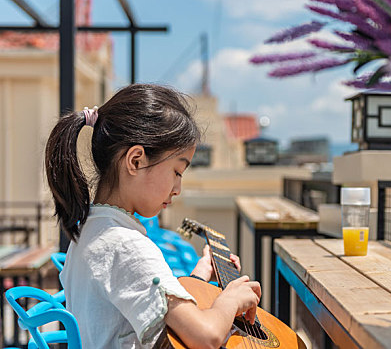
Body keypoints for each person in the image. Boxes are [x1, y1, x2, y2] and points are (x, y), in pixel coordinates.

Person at [44, 83, 261, 348]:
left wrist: (198, 279)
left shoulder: (90, 230)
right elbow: (206, 336)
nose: (178, 188)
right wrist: (230, 300)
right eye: (177, 172)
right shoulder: (127, 246)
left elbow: (140, 293)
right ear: (136, 160)